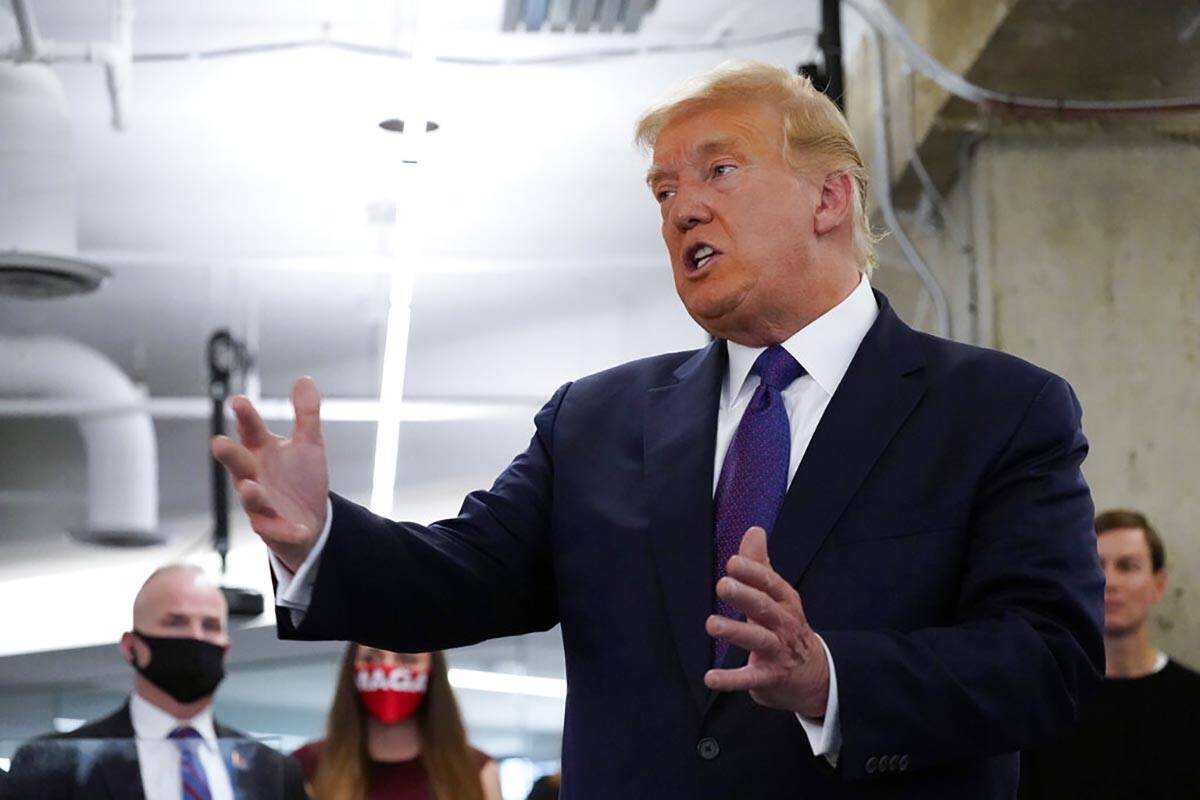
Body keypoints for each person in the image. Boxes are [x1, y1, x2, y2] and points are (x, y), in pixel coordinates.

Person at [212, 60, 1104, 799]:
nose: (681, 210)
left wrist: (831, 675)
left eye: (718, 171)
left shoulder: (997, 412)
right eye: (664, 189)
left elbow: (1048, 663)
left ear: (830, 197)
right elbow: (463, 576)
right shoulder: (595, 421)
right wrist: (319, 538)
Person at [7, 564, 306, 800]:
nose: (196, 637)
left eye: (210, 625)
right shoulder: (55, 763)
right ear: (131, 646)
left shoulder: (272, 770)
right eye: (175, 622)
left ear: (226, 648)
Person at [1019, 510, 1200, 798]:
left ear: (1159, 584)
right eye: (1096, 565)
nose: (1109, 582)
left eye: (1127, 566)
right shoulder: (1046, 702)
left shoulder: (1193, 700)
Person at [291, 644, 501, 800]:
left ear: (431, 672)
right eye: (372, 658)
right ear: (351, 669)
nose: (388, 668)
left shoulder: (476, 769)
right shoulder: (307, 766)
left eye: (406, 659)